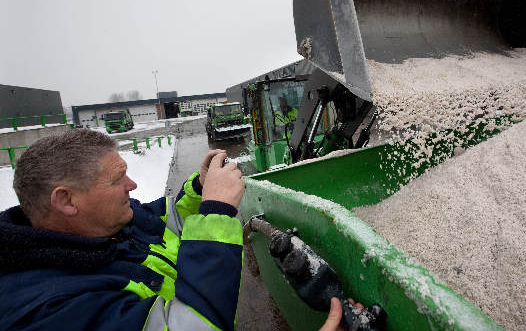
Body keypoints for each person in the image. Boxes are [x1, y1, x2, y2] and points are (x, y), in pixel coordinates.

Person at [0, 129, 354, 330]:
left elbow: (166, 222)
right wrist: (216, 212)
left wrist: (200, 190)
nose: (133, 184)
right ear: (65, 200)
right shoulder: (48, 312)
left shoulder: (102, 226)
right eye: (117, 178)